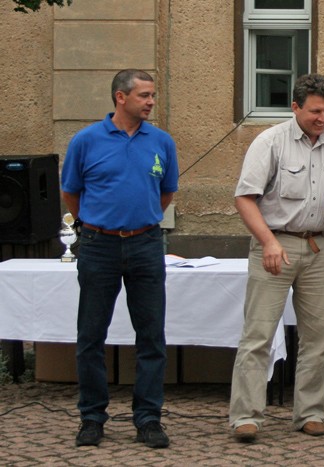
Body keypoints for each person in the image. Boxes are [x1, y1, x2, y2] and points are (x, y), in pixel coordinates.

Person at [229, 74, 324, 441]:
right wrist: (268, 242)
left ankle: (310, 412)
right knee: (258, 334)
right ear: (296, 107)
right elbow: (245, 198)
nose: (323, 118)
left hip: (320, 247)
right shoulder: (270, 142)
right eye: (316, 111)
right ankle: (246, 417)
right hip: (276, 245)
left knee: (318, 337)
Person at [61, 69, 178, 448]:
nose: (151, 102)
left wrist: (138, 220)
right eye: (144, 95)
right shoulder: (86, 141)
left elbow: (165, 193)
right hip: (99, 245)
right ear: (120, 97)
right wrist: (97, 224)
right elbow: (72, 194)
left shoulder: (161, 141)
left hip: (146, 244)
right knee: (91, 335)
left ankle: (148, 419)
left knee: (151, 336)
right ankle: (92, 417)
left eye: (153, 95)